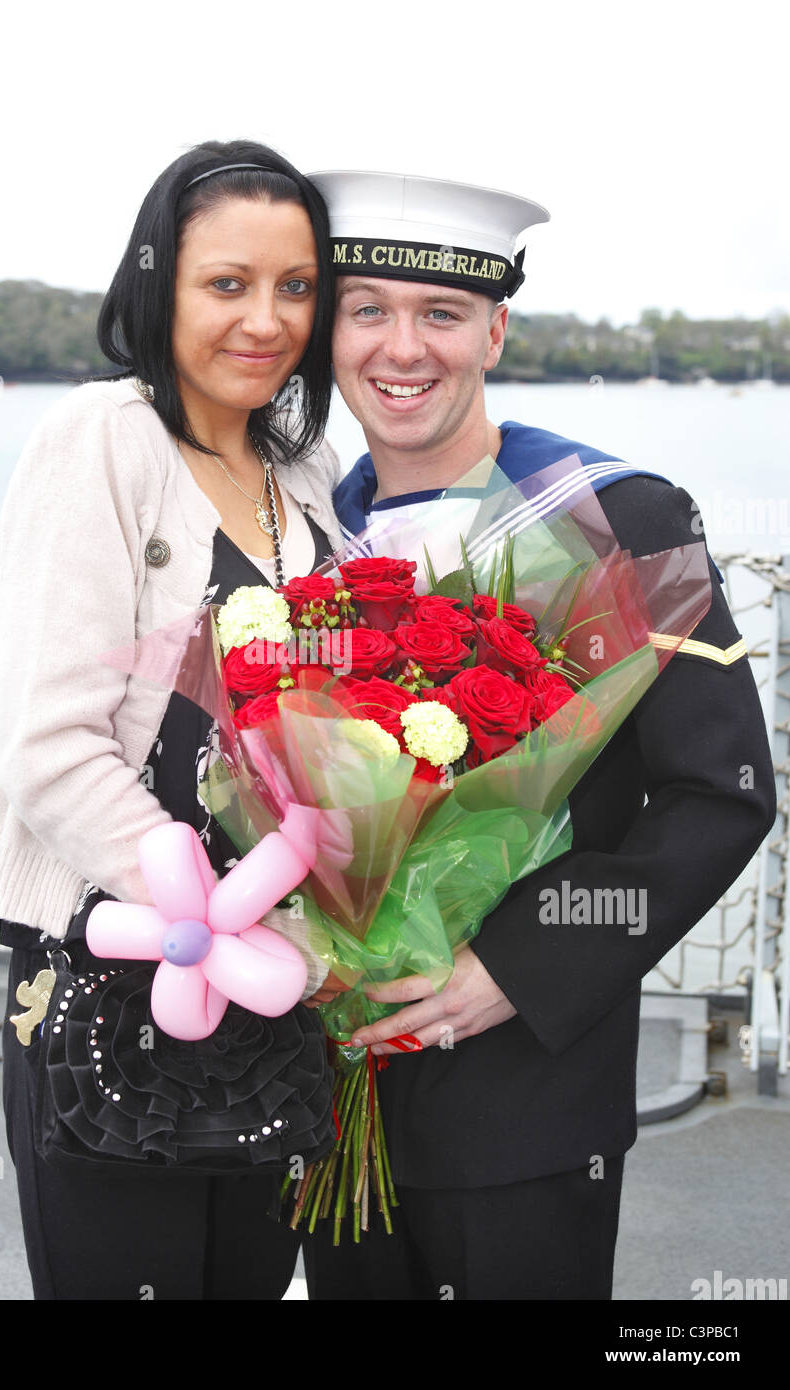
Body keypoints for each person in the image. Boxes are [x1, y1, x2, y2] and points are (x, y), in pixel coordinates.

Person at [300, 169, 777, 1300]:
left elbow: (720, 793)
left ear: (496, 330)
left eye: (443, 315)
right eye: (366, 309)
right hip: (328, 1085)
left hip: (522, 1087)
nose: (401, 348)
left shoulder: (613, 516)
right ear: (328, 333)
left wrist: (513, 967)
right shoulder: (310, 530)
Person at [0, 140, 348, 1300]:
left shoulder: (308, 463)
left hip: (277, 990)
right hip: (119, 972)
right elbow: (50, 746)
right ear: (157, 286)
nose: (266, 319)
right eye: (226, 284)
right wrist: (209, 913)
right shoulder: (104, 440)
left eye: (295, 287)